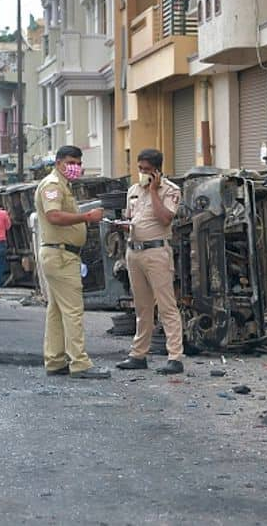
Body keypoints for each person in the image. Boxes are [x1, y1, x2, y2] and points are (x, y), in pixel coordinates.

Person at [34, 145, 110, 379]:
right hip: (61, 256)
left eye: (78, 163)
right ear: (58, 163)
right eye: (70, 162)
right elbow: (53, 216)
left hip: (60, 255)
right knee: (73, 311)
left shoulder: (63, 185)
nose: (74, 167)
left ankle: (55, 360)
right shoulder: (53, 186)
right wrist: (86, 217)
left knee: (57, 311)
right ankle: (80, 363)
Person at [116, 148, 184, 374]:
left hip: (156, 252)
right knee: (142, 307)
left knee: (166, 305)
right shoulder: (133, 190)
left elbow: (165, 219)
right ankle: (138, 353)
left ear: (157, 170)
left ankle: (175, 356)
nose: (142, 173)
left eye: (146, 170)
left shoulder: (170, 190)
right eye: (140, 169)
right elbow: (131, 218)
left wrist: (154, 191)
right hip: (134, 251)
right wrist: (122, 225)